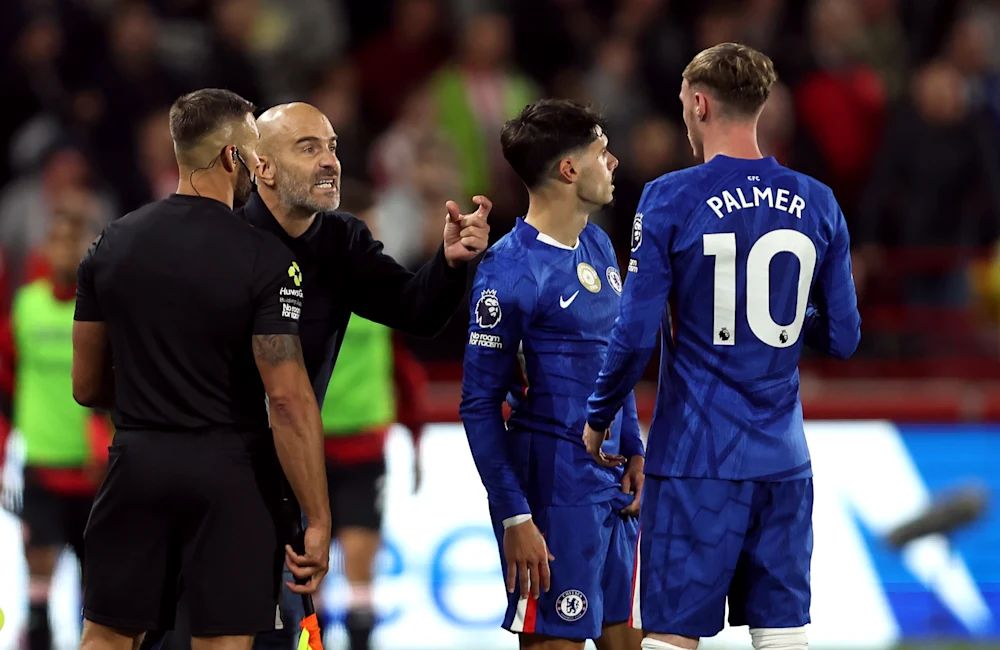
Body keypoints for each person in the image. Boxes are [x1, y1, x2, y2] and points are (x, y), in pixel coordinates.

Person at [583, 43, 862, 650]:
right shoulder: (819, 201)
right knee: (782, 635)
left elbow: (634, 332)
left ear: (700, 104)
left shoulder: (669, 197)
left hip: (696, 458)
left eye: (685, 104)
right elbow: (844, 338)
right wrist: (787, 310)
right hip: (784, 461)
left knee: (671, 636)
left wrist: (598, 417)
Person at [73, 88, 331, 650]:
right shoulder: (267, 259)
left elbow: (86, 385)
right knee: (222, 642)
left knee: (107, 637)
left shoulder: (110, 244)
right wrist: (316, 517)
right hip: (230, 473)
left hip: (136, 462)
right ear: (233, 157)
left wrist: (152, 393)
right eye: (253, 152)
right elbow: (287, 400)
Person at [240, 102, 490, 650]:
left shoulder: (341, 240)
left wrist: (449, 263)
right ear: (263, 167)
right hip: (224, 476)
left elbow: (415, 311)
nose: (330, 161)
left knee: (285, 631)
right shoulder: (224, 241)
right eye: (308, 147)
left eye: (332, 146)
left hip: (301, 475)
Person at [460, 99, 644, 650]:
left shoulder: (598, 243)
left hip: (613, 487)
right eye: (601, 153)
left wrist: (634, 445)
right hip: (553, 495)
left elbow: (613, 357)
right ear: (569, 169)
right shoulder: (509, 271)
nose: (613, 163)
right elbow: (478, 405)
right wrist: (514, 516)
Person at [8, 209, 109, 650]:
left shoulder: (102, 310)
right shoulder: (25, 307)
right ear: (44, 249)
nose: (65, 250)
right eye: (58, 240)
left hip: (94, 469)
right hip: (42, 464)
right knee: (38, 588)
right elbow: (6, 379)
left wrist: (103, 441)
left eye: (74, 241)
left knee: (96, 594)